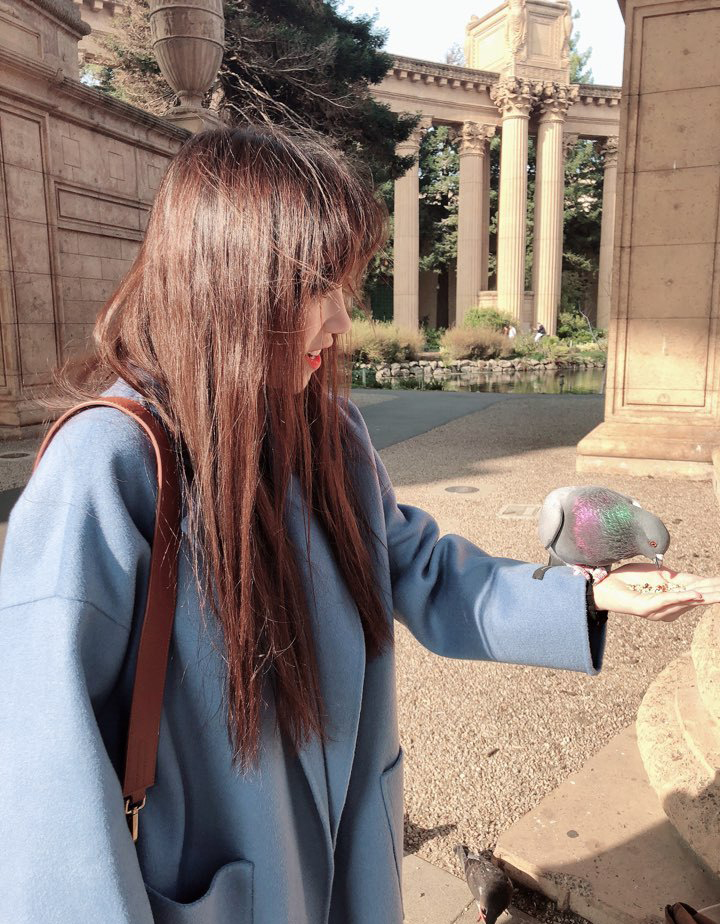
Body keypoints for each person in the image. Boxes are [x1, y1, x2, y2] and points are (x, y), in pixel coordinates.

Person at [1, 125, 717, 924]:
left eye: (348, 285)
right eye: (321, 287)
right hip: (218, 889)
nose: (344, 320)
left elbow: (424, 570)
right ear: (230, 280)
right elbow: (45, 778)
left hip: (351, 872)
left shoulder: (329, 431)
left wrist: (589, 599)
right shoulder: (108, 466)